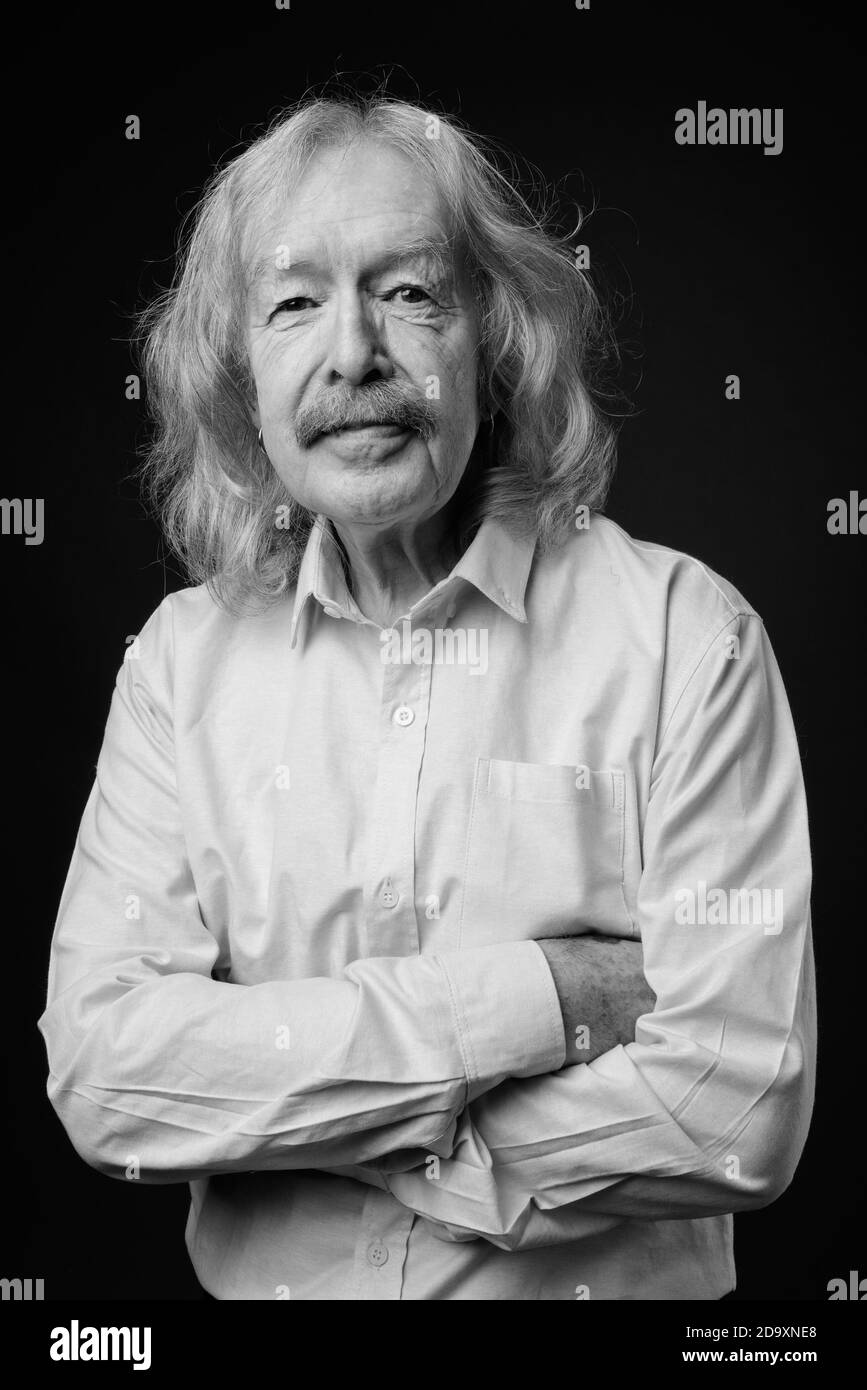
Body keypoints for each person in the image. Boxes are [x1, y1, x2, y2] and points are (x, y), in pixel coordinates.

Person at [38, 93, 815, 1301]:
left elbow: (735, 1103)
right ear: (240, 371)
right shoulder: (178, 671)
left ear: (495, 341)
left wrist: (325, 1127)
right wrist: (540, 1001)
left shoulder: (684, 639)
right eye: (295, 303)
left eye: (408, 292)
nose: (353, 354)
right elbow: (106, 1080)